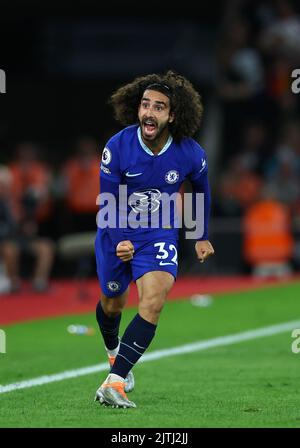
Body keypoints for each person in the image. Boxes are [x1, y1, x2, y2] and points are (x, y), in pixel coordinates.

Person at [94, 70, 215, 408]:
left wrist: (199, 235)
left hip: (159, 230)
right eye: (145, 105)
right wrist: (119, 239)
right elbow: (108, 198)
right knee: (112, 303)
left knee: (154, 300)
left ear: (172, 115)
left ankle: (115, 382)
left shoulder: (189, 152)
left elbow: (200, 190)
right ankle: (113, 353)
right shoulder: (118, 146)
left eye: (159, 107)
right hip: (116, 227)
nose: (149, 112)